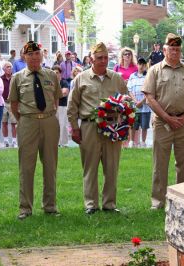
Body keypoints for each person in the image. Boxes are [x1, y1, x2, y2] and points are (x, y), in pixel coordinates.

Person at [142, 33, 184, 209]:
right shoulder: (155, 70)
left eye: (177, 49)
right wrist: (167, 118)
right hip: (162, 122)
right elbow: (149, 98)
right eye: (171, 49)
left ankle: (181, 201)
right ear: (165, 50)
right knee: (160, 163)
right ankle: (158, 201)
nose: (174, 52)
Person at [68, 42, 127, 215]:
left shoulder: (116, 78)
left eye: (106, 58)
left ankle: (109, 204)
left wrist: (124, 125)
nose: (103, 61)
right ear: (91, 59)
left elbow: (127, 101)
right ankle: (91, 205)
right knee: (90, 167)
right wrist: (74, 128)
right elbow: (72, 106)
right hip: (89, 127)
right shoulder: (81, 78)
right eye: (99, 58)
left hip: (112, 126)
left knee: (112, 167)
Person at [9, 41, 62, 220]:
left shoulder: (51, 75)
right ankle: (25, 208)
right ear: (24, 57)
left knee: (50, 164)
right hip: (28, 122)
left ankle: (50, 206)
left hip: (48, 122)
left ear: (41, 55)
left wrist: (49, 114)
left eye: (37, 53)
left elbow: (55, 99)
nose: (34, 57)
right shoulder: (17, 77)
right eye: (30, 54)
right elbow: (14, 104)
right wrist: (24, 120)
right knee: (26, 166)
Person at [127, 57, 150, 148]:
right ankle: (132, 142)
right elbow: (129, 90)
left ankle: (143, 142)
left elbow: (149, 90)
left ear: (145, 66)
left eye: (143, 64)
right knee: (133, 125)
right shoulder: (132, 76)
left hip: (145, 106)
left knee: (144, 126)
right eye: (139, 64)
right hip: (134, 105)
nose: (141, 66)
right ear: (137, 65)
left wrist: (142, 101)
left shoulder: (148, 76)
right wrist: (135, 101)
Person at [51, 65, 70, 147]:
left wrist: (54, 94)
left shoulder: (64, 82)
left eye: (57, 73)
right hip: (52, 107)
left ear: (60, 74)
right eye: (54, 73)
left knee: (63, 124)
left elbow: (65, 93)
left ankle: (65, 143)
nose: (56, 74)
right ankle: (56, 143)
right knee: (54, 125)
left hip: (62, 106)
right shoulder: (50, 83)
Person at [1, 61, 17, 148]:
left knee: (14, 122)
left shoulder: (15, 78)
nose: (9, 68)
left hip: (12, 103)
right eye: (7, 67)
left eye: (10, 67)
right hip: (3, 102)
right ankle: (6, 141)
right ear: (4, 69)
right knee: (4, 122)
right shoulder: (0, 79)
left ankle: (14, 141)